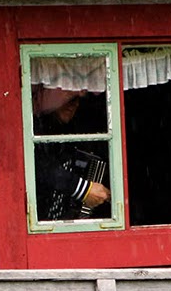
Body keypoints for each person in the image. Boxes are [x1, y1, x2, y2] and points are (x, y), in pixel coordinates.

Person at [31, 86, 111, 220]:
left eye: (78, 100)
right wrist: (82, 189)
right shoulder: (35, 125)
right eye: (69, 98)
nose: (74, 104)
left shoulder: (72, 127)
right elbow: (38, 165)